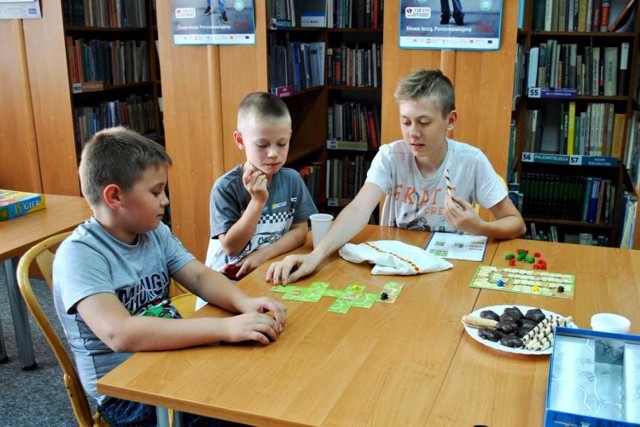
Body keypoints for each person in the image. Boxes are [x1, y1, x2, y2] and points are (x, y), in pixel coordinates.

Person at [53, 127, 286, 426]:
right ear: (114, 196)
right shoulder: (80, 255)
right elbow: (120, 334)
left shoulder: (154, 232)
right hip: (125, 393)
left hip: (172, 357)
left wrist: (244, 302)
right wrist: (225, 328)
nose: (165, 201)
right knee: (236, 413)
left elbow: (200, 277)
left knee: (258, 383)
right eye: (155, 192)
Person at [266, 69, 526, 285]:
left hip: (450, 272)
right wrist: (317, 255)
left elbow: (516, 223)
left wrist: (479, 227)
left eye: (424, 122)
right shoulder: (390, 156)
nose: (413, 133)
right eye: (406, 122)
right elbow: (359, 208)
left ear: (450, 120)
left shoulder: (471, 161)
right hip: (395, 270)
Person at [204, 92, 318, 284]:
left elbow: (300, 232)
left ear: (289, 136)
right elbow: (231, 248)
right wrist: (257, 202)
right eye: (262, 145)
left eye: (282, 143)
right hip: (226, 285)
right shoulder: (225, 188)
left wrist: (263, 255)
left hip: (267, 274)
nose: (273, 154)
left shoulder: (292, 180)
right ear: (240, 140)